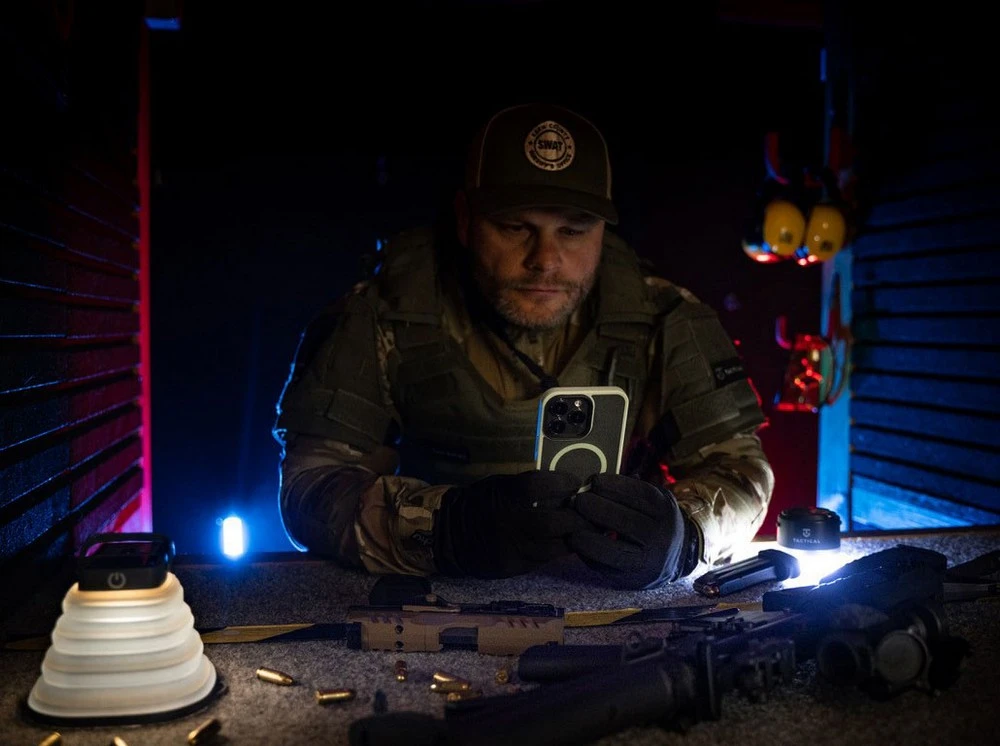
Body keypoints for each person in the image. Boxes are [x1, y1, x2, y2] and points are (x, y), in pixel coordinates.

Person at [271, 103, 774, 589]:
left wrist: (685, 536)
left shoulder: (660, 316)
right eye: (515, 227)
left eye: (573, 230)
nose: (545, 259)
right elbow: (310, 487)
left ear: (602, 232)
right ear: (465, 219)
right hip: (438, 592)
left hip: (604, 596)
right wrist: (446, 529)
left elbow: (741, 471)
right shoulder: (385, 313)